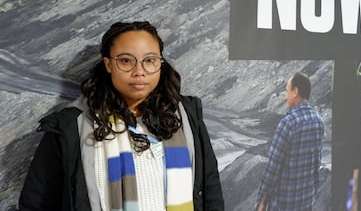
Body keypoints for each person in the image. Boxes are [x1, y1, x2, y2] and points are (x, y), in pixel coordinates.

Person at [19, 21, 224, 211]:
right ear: (108, 64)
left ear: (160, 64)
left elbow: (210, 189)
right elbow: (36, 203)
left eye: (150, 61)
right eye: (126, 61)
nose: (139, 71)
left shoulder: (184, 116)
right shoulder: (72, 127)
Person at [256, 72, 324, 211]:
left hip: (284, 204)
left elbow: (272, 168)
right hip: (306, 202)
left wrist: (261, 203)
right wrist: (312, 194)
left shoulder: (288, 123)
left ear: (295, 92)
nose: (285, 96)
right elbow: (316, 163)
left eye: (287, 91)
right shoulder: (318, 122)